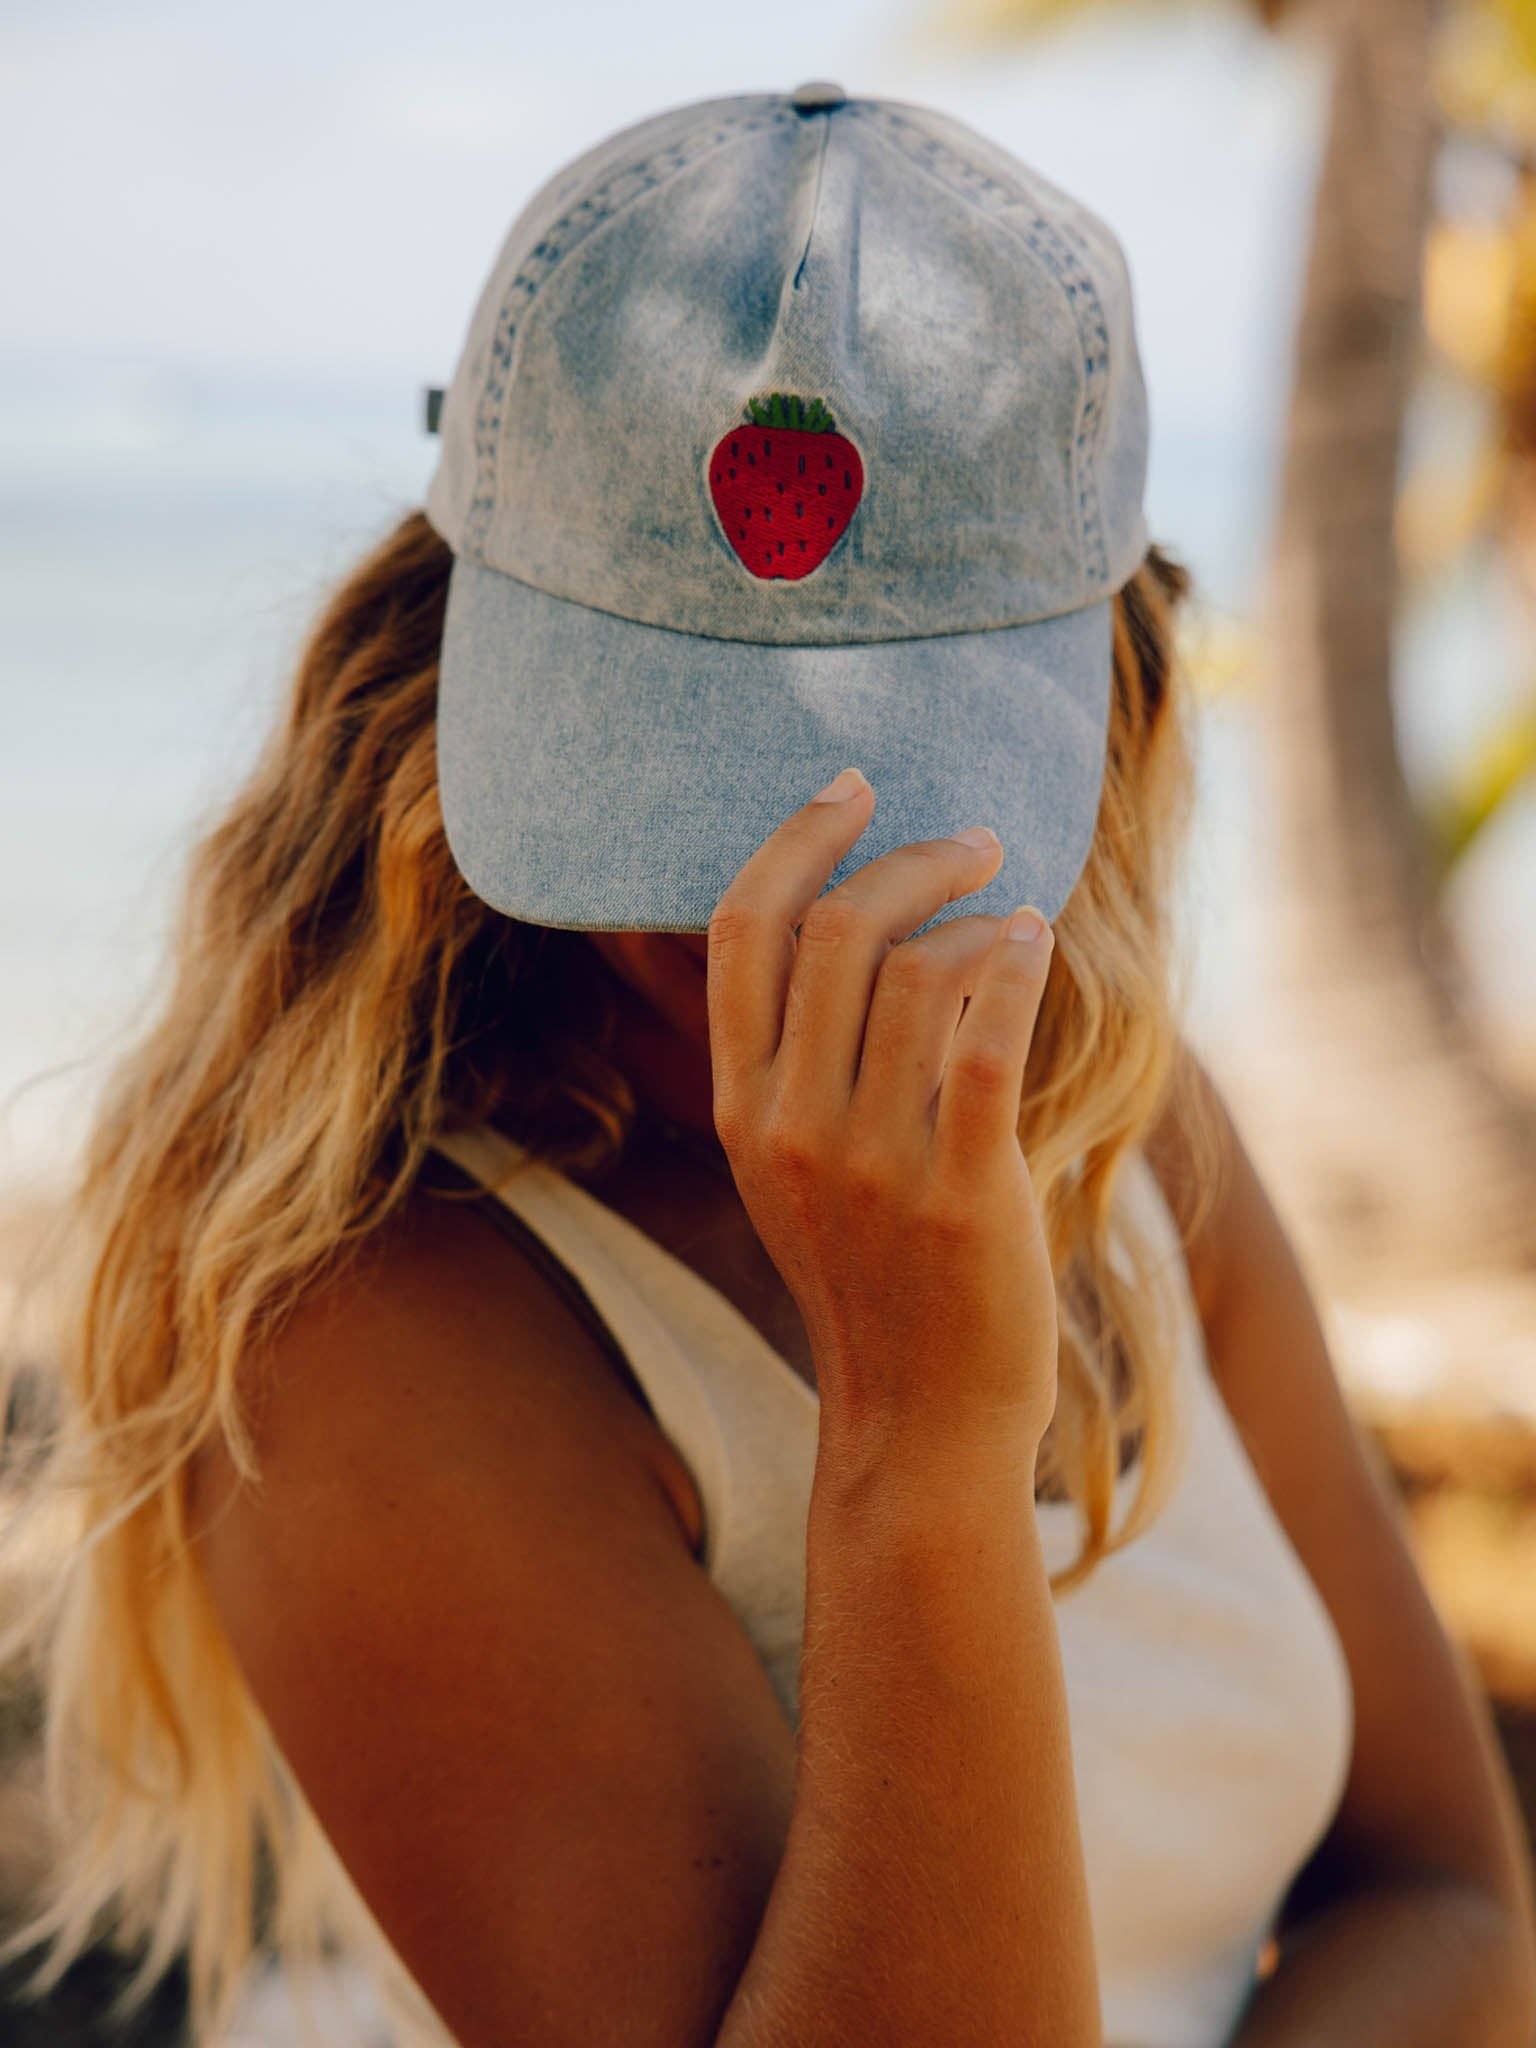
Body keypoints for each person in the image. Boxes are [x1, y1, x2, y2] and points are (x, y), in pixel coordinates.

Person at [2, 79, 1533, 2048]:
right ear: (451, 665)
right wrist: (923, 1435)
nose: (755, 898)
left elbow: (1444, 1884)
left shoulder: (1128, 1128)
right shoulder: (379, 1330)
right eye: (667, 769)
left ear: (1123, 684)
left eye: (871, 779)